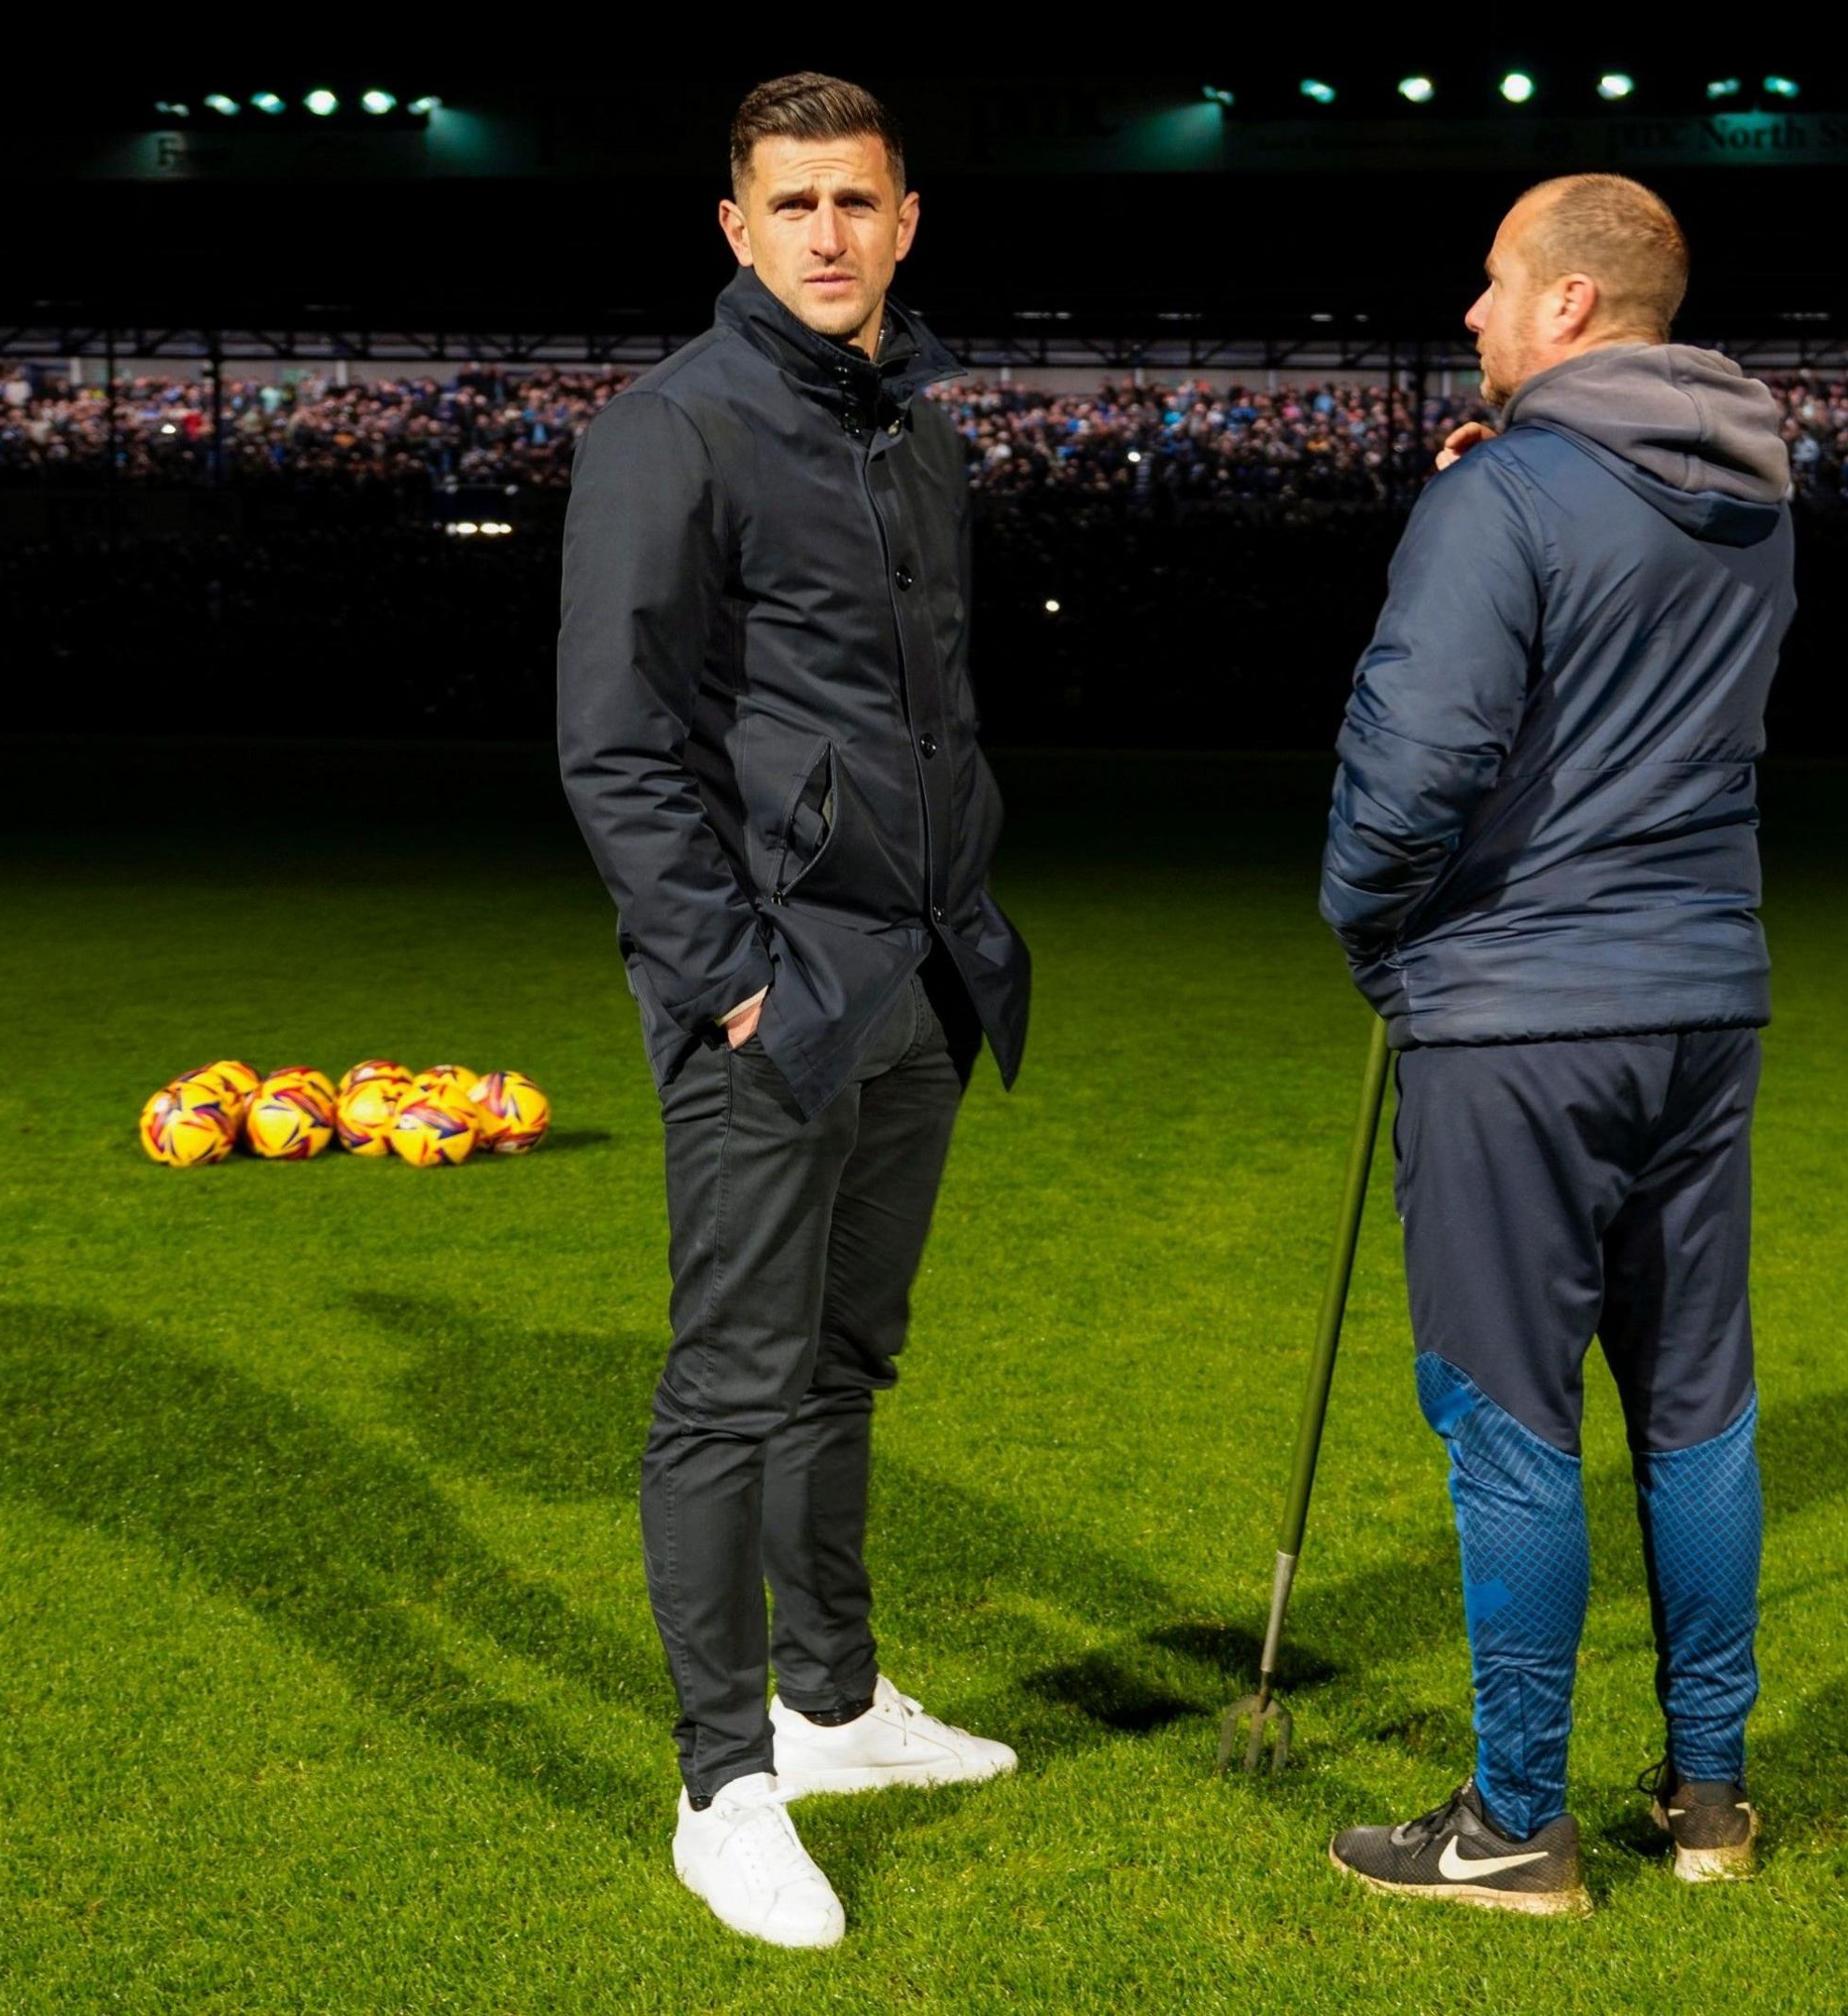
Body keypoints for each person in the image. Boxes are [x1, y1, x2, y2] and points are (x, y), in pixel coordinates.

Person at [558, 71, 1030, 1951]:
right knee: (732, 1386)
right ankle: (721, 1782)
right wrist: (735, 981)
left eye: (862, 200)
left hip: (916, 970)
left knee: (844, 1365)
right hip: (775, 990)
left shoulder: (914, 429)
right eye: (795, 205)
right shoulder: (670, 429)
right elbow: (616, 745)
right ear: (735, 229)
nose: (832, 233)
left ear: (907, 217)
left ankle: (831, 1705)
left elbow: (919, 709)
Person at [1318, 174, 1795, 1917]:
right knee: (1697, 1405)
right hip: (1702, 995)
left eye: (1497, 285)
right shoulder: (1755, 494)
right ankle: (1711, 1797)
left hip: (1520, 1008)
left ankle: (1515, 1824)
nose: (1475, 314)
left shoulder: (1503, 491)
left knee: (1507, 1415)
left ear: (1572, 308)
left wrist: (1371, 925)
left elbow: (1419, 762)